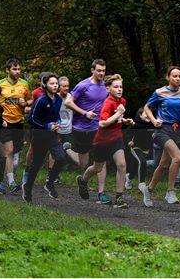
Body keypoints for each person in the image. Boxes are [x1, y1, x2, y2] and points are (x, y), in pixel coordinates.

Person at [76, 74, 134, 208]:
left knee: (121, 164)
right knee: (97, 168)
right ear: (108, 89)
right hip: (101, 141)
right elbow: (102, 123)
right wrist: (118, 114)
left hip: (116, 138)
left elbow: (117, 120)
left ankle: (119, 198)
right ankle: (83, 181)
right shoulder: (108, 103)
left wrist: (125, 120)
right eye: (116, 87)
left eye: (121, 87)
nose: (119, 89)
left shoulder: (122, 101)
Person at [142, 66, 180, 205]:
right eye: (174, 76)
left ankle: (149, 189)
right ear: (168, 77)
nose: (177, 79)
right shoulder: (160, 92)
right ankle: (170, 191)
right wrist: (154, 120)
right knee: (177, 158)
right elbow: (147, 107)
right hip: (162, 130)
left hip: (177, 130)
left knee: (163, 164)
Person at [64, 59, 111, 205]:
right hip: (81, 129)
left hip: (99, 128)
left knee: (101, 162)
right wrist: (85, 113)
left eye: (103, 71)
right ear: (92, 70)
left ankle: (101, 193)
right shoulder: (83, 85)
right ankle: (67, 149)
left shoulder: (106, 85)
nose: (102, 73)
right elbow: (68, 102)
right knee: (83, 163)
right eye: (99, 70)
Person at [23, 73, 68, 202]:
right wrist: (46, 126)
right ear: (45, 85)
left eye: (56, 83)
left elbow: (56, 116)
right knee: (36, 164)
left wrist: (58, 122)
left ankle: (49, 183)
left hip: (53, 135)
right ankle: (28, 188)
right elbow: (30, 119)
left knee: (61, 158)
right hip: (39, 135)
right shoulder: (41, 100)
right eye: (51, 83)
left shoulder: (58, 99)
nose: (55, 86)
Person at [0, 58, 31, 193]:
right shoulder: (0, 84)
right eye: (14, 69)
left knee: (14, 150)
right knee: (9, 150)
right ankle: (11, 181)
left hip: (18, 122)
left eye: (18, 69)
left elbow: (29, 100)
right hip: (4, 121)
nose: (17, 72)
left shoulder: (24, 84)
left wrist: (26, 104)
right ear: (7, 70)